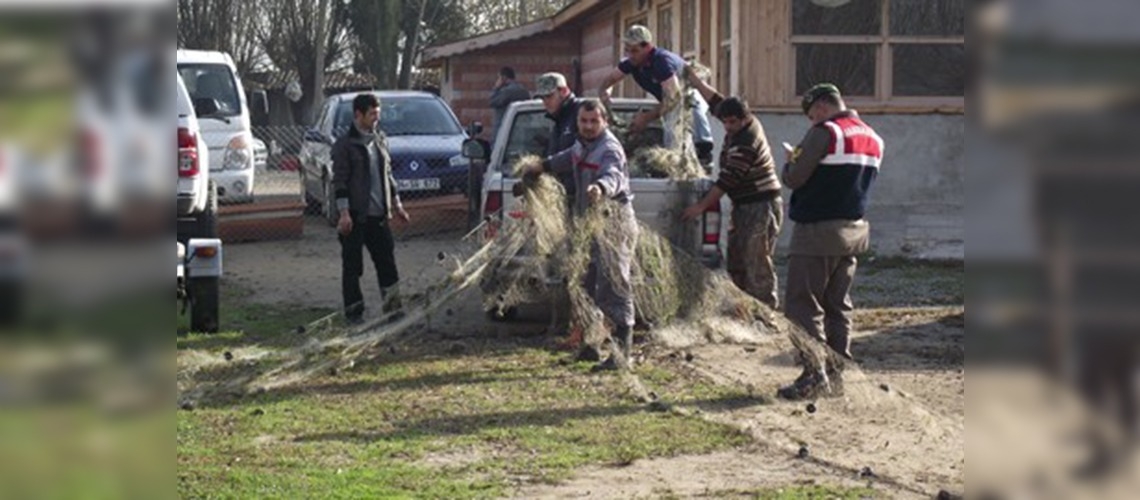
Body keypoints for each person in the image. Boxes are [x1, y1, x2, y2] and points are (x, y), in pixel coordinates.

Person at [776, 83, 884, 400]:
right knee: (838, 306)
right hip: (854, 231)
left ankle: (813, 375)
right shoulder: (874, 138)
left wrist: (789, 161)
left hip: (817, 230)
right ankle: (837, 376)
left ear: (822, 107)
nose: (811, 122)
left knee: (803, 304)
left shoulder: (827, 132)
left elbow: (795, 177)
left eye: (811, 115)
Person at [522, 99, 638, 372]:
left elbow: (613, 176)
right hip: (589, 224)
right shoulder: (581, 145)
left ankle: (622, 355)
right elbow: (566, 159)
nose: (588, 126)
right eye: (583, 122)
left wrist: (600, 188)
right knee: (586, 283)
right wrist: (542, 166)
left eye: (594, 122)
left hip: (613, 223)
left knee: (614, 285)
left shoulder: (608, 149)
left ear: (604, 122)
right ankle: (590, 346)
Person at [680, 68, 783, 310]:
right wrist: (694, 80)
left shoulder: (746, 140)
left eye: (732, 122)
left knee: (756, 260)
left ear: (745, 118)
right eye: (724, 121)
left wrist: (700, 207)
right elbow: (716, 100)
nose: (727, 126)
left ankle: (765, 311)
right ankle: (744, 308)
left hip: (760, 204)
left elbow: (727, 181)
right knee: (737, 259)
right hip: (744, 204)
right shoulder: (736, 119)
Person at [332, 93, 410, 325]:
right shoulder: (345, 145)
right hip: (355, 217)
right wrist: (344, 213)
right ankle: (354, 314)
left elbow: (388, 175)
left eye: (378, 113)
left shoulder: (380, 140)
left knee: (387, 265)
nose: (377, 118)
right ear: (358, 115)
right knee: (353, 268)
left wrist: (397, 205)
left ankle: (394, 311)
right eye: (372, 114)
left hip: (379, 217)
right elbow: (340, 181)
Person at [597, 24, 713, 157]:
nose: (630, 55)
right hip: (668, 102)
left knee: (679, 139)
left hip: (686, 100)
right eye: (627, 50)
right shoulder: (632, 62)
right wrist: (604, 91)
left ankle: (703, 153)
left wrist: (646, 118)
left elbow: (673, 98)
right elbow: (611, 78)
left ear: (647, 47)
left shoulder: (662, 62)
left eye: (634, 50)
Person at [530, 72, 585, 200]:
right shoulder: (558, 120)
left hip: (581, 194)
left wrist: (544, 165)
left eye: (549, 96)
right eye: (543, 98)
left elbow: (581, 152)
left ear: (564, 91)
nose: (545, 102)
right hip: (562, 194)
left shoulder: (581, 114)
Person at [489, 66, 531, 141]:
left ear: (503, 78)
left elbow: (492, 101)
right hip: (521, 128)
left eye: (499, 78)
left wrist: (496, 87)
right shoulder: (523, 90)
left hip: (503, 128)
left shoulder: (507, 91)